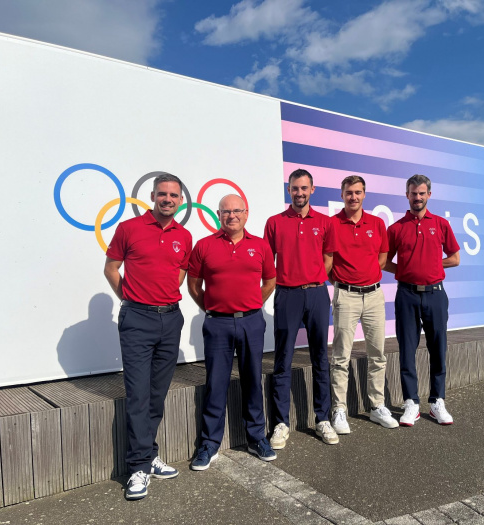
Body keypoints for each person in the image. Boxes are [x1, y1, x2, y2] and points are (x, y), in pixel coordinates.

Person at [104, 173, 192, 500]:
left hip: (170, 318)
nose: (168, 199)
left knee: (157, 394)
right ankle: (138, 467)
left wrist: (163, 296)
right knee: (138, 394)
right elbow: (111, 268)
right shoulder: (130, 228)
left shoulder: (185, 235)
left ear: (181, 200)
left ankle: (149, 454)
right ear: (153, 196)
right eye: (162, 194)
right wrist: (130, 298)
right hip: (137, 318)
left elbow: (179, 272)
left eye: (173, 195)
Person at [187, 194, 277, 470]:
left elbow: (270, 281)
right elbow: (194, 286)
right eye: (226, 212)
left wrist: (250, 305)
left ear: (246, 214)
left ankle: (257, 437)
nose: (232, 216)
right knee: (216, 384)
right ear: (218, 215)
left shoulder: (260, 246)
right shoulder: (204, 246)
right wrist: (215, 310)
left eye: (237, 211)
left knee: (252, 380)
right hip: (217, 324)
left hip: (251, 322)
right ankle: (209, 444)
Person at [264, 168, 339, 448]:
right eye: (295, 188)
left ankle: (323, 419)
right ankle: (281, 423)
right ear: (289, 190)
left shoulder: (325, 222)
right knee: (282, 360)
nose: (299, 193)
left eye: (304, 188)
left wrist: (314, 278)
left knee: (320, 358)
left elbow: (328, 259)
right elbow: (266, 263)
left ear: (312, 190)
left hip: (317, 294)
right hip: (287, 295)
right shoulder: (274, 223)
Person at [384, 174, 460, 427]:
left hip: (436, 294)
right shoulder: (395, 228)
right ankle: (411, 403)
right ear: (407, 195)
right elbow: (384, 262)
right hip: (406, 294)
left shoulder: (440, 224)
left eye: (422, 193)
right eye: (413, 193)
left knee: (438, 348)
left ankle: (437, 401)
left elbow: (455, 258)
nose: (417, 197)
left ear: (429, 195)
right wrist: (406, 270)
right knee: (407, 349)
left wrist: (430, 264)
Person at [329, 175, 399, 433]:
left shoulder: (377, 223)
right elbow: (328, 263)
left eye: (358, 192)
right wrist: (343, 281)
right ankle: (339, 409)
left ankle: (377, 406)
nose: (353, 197)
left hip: (373, 296)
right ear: (342, 194)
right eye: (349, 192)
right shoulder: (332, 224)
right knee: (340, 356)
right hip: (345, 295)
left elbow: (382, 259)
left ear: (364, 194)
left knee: (377, 354)